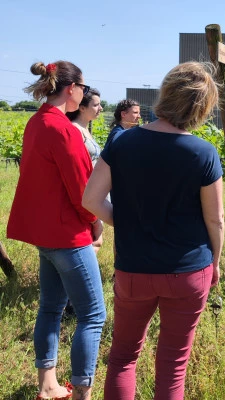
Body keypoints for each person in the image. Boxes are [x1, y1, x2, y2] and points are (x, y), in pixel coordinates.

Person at [82, 61, 223, 400]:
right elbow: (215, 219)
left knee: (122, 358)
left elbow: (91, 200)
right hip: (189, 271)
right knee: (174, 363)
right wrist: (215, 263)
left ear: (166, 93)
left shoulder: (123, 143)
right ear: (201, 107)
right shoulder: (204, 153)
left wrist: (128, 220)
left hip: (133, 269)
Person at [7, 61, 106, 400]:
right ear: (71, 89)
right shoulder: (64, 129)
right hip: (68, 236)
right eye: (84, 86)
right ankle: (82, 392)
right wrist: (97, 224)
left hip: (43, 233)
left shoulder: (36, 123)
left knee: (50, 307)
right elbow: (84, 192)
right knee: (93, 315)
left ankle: (47, 385)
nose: (86, 92)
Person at [66, 88, 104, 253]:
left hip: (93, 190)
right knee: (94, 242)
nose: (100, 108)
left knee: (95, 240)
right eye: (96, 105)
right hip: (85, 191)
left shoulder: (85, 129)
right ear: (82, 108)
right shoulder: (75, 129)